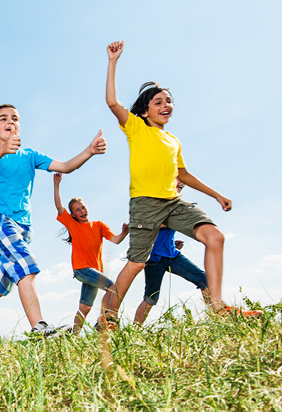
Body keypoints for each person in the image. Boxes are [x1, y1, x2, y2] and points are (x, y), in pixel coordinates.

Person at [101, 40, 258, 329]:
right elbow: (112, 102)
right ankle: (108, 318)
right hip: (145, 203)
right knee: (136, 263)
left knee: (215, 237)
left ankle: (218, 307)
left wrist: (216, 195)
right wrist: (113, 62)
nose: (165, 105)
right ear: (145, 111)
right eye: (158, 102)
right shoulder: (136, 127)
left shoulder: (173, 140)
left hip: (172, 203)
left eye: (168, 101)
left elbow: (183, 175)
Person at [0, 104, 107, 338]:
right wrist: (3, 148)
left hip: (22, 228)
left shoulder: (31, 156)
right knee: (26, 264)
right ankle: (39, 329)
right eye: (3, 119)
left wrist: (89, 151)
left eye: (15, 118)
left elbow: (65, 166)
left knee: (1, 288)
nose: (10, 122)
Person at [52, 173, 129, 331]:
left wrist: (124, 232)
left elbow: (115, 240)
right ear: (73, 214)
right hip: (82, 269)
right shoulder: (73, 225)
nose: (82, 211)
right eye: (77, 210)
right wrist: (57, 184)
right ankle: (105, 321)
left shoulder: (99, 225)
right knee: (113, 287)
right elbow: (59, 207)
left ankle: (74, 337)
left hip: (93, 272)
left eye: (83, 207)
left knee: (85, 308)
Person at [133, 181, 211, 325]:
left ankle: (215, 317)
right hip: (154, 259)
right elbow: (150, 224)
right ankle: (134, 331)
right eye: (178, 180)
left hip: (172, 255)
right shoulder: (155, 201)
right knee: (151, 297)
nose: (182, 184)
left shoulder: (174, 204)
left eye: (183, 183)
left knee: (205, 280)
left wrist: (172, 243)